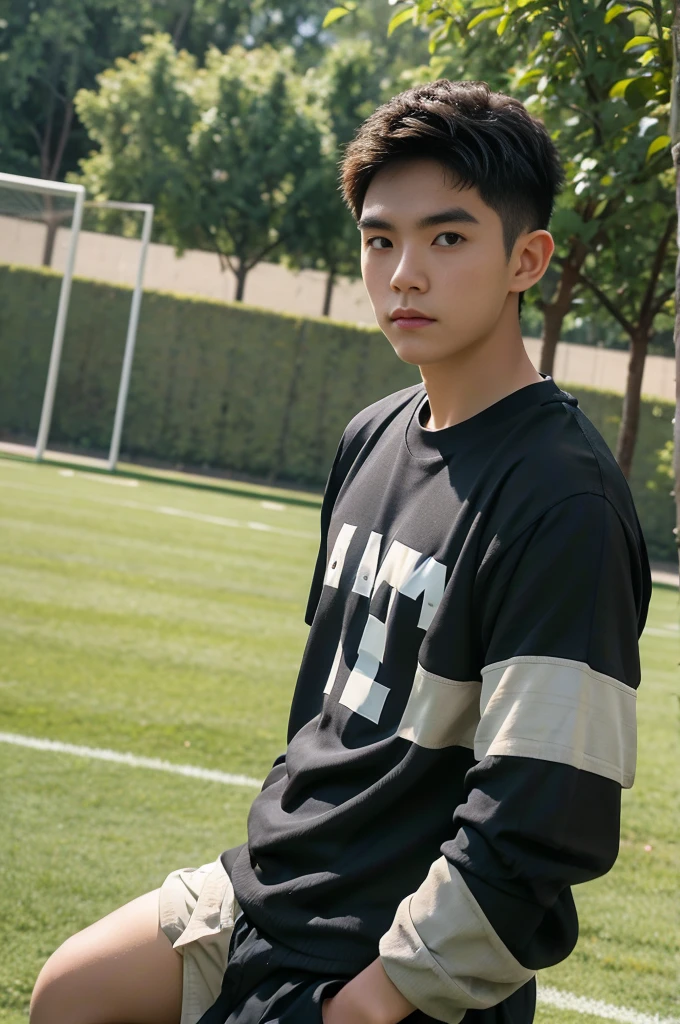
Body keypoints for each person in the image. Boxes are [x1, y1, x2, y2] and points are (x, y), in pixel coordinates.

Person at [30, 79, 652, 1024]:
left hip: (382, 955)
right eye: (379, 239)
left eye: (448, 238)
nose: (404, 272)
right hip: (273, 888)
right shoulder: (373, 433)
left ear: (527, 259)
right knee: (72, 993)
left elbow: (544, 819)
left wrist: (366, 1004)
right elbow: (330, 716)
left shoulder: (563, 500)